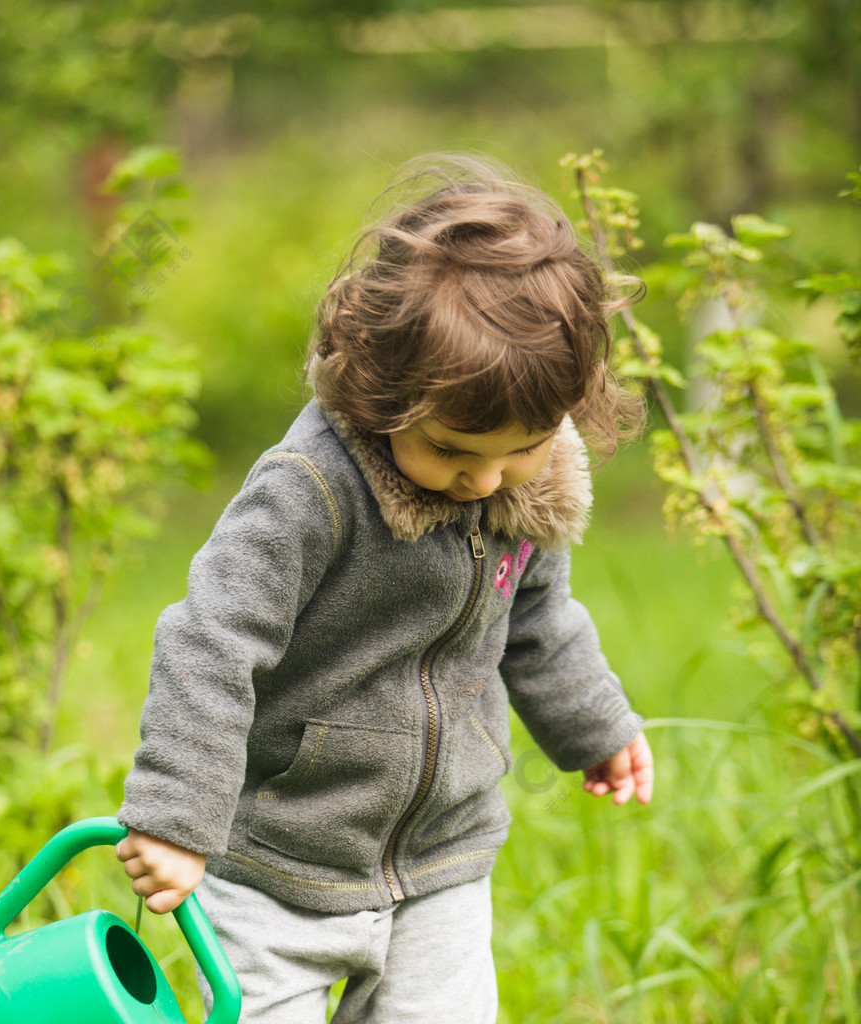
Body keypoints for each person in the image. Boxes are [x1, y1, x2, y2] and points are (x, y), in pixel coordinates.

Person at [116, 153, 654, 1023]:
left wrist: (597, 724)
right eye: (449, 451)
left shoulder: (527, 484)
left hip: (441, 859)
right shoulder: (310, 492)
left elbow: (539, 619)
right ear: (381, 392)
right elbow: (211, 639)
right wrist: (175, 819)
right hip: (281, 859)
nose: (484, 482)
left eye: (518, 447)